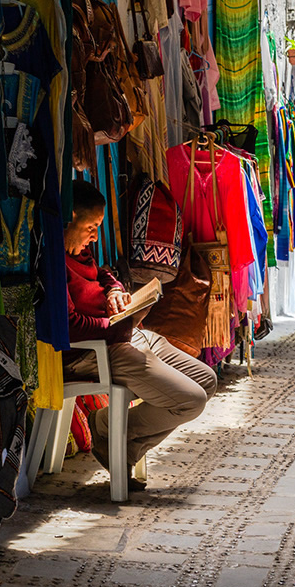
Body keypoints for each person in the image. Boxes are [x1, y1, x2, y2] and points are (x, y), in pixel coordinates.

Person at [63, 180, 217, 490]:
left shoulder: (81, 253)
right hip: (96, 351)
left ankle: (123, 448)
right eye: (91, 226)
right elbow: (70, 325)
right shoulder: (54, 263)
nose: (95, 236)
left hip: (126, 336)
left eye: (98, 227)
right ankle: (105, 428)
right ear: (69, 218)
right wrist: (117, 326)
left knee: (207, 380)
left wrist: (115, 290)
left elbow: (102, 271)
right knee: (192, 401)